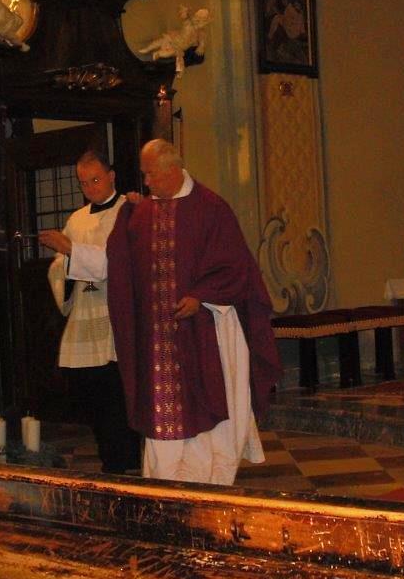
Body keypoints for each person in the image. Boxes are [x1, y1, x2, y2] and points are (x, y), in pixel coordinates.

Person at [105, 139, 281, 486]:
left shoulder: (211, 208)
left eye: (151, 174)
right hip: (158, 341)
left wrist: (202, 296)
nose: (146, 182)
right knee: (161, 413)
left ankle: (211, 483)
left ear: (172, 170)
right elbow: (123, 264)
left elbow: (235, 266)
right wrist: (125, 217)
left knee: (207, 406)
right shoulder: (141, 214)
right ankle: (163, 485)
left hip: (205, 332)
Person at [37, 151, 140, 474]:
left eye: (95, 179)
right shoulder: (77, 219)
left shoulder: (130, 211)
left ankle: (124, 464)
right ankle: (110, 459)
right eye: (83, 183)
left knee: (118, 400)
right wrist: (67, 263)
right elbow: (58, 268)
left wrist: (70, 249)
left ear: (111, 176)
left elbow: (117, 263)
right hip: (84, 320)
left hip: (114, 322)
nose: (90, 188)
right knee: (93, 398)